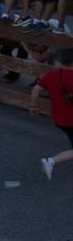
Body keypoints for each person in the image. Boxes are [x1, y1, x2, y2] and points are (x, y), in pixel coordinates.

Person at [31, 49, 73, 180]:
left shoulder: (53, 74)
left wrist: (34, 105)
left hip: (59, 118)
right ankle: (51, 161)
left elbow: (36, 89)